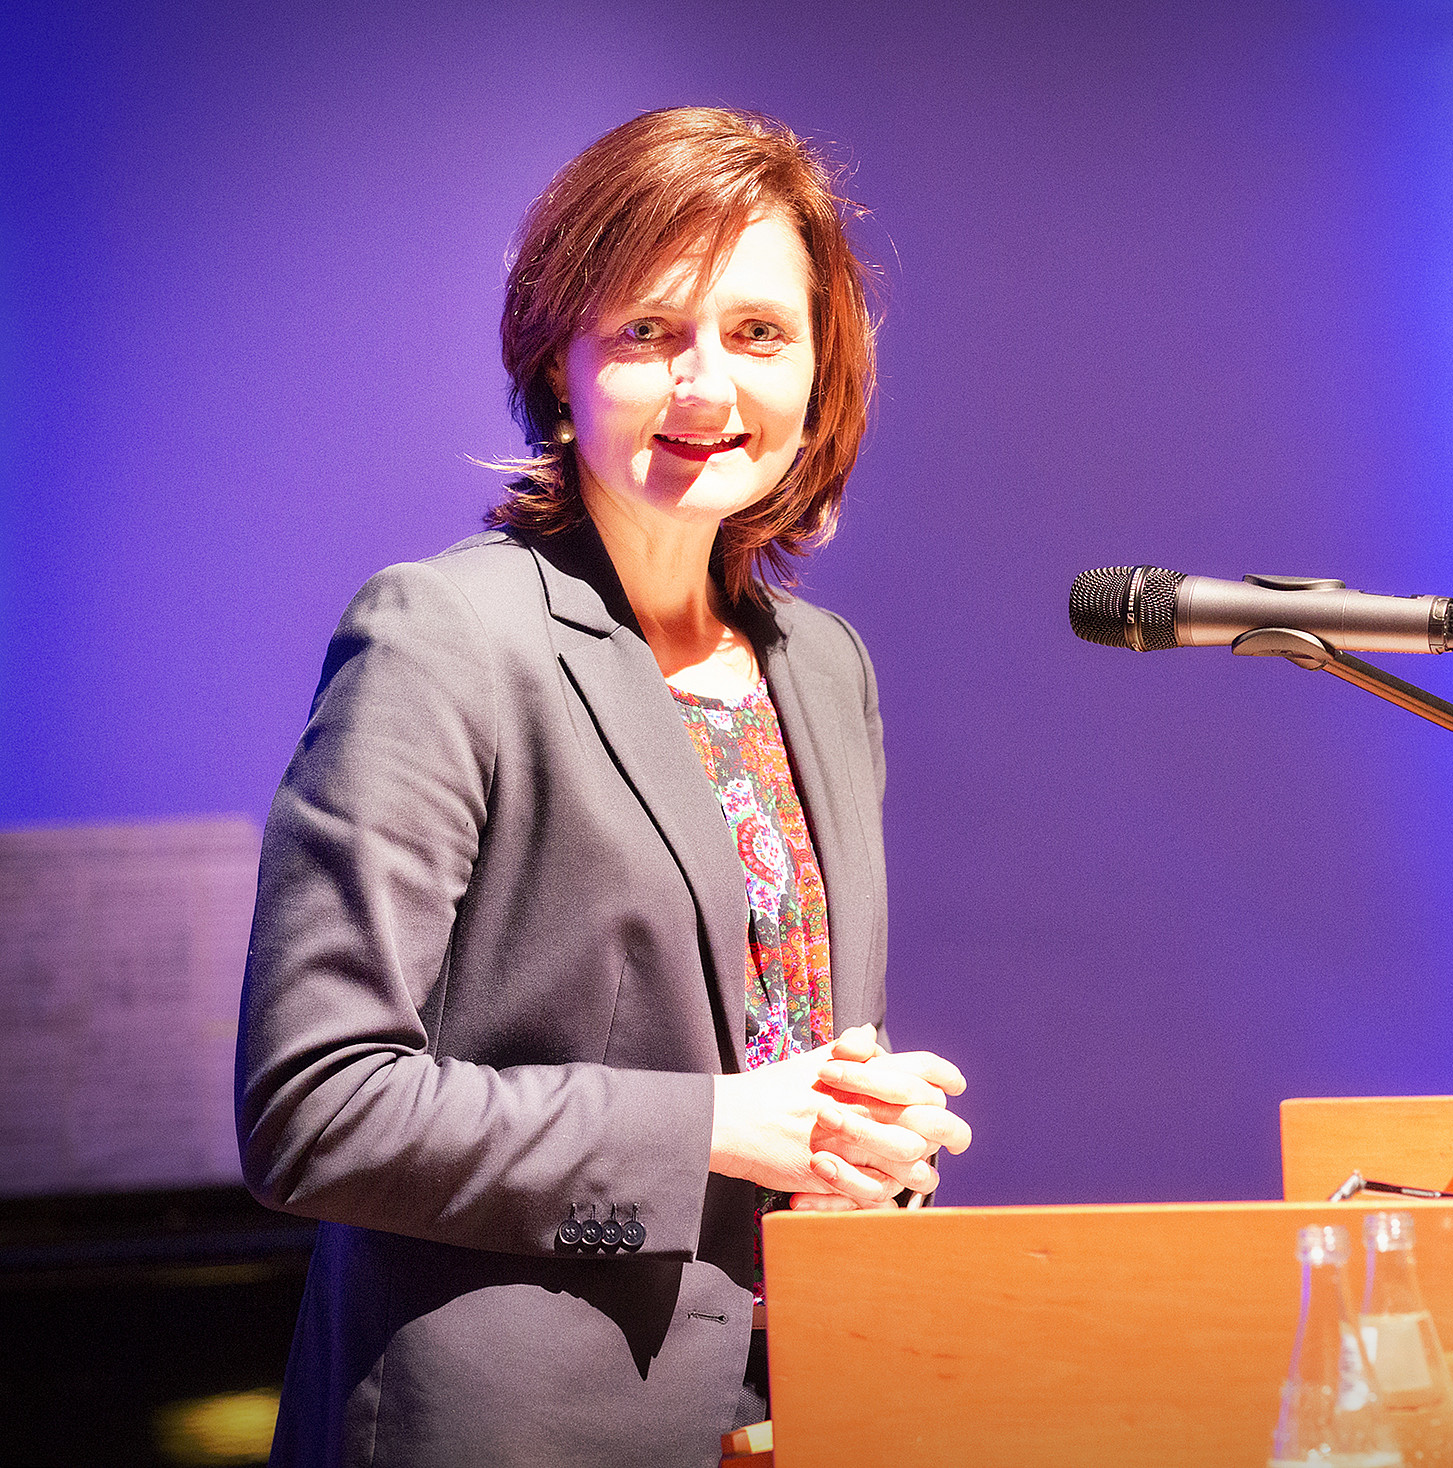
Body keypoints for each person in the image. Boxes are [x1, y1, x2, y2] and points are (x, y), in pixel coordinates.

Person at [234, 107, 968, 1466]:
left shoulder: (821, 667)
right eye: (647, 331)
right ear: (559, 366)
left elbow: (777, 1055)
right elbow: (315, 1107)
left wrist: (855, 1152)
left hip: (798, 1408)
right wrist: (716, 1129)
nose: (706, 386)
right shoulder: (446, 637)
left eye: (759, 332)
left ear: (822, 369)